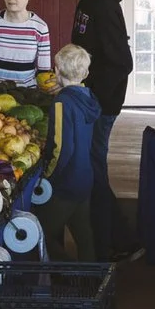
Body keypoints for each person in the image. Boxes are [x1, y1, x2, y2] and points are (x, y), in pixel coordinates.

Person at [44, 0, 135, 257]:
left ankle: (111, 245)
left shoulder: (103, 5)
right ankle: (116, 239)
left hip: (99, 105)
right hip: (87, 99)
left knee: (92, 171)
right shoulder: (86, 1)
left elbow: (122, 62)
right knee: (92, 169)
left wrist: (90, 97)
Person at [34, 44, 102, 261]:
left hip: (66, 181)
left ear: (56, 71)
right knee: (84, 236)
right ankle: (90, 278)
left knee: (39, 233)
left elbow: (62, 147)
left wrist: (47, 175)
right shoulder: (89, 98)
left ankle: (63, 270)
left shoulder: (62, 103)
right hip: (85, 176)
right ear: (86, 73)